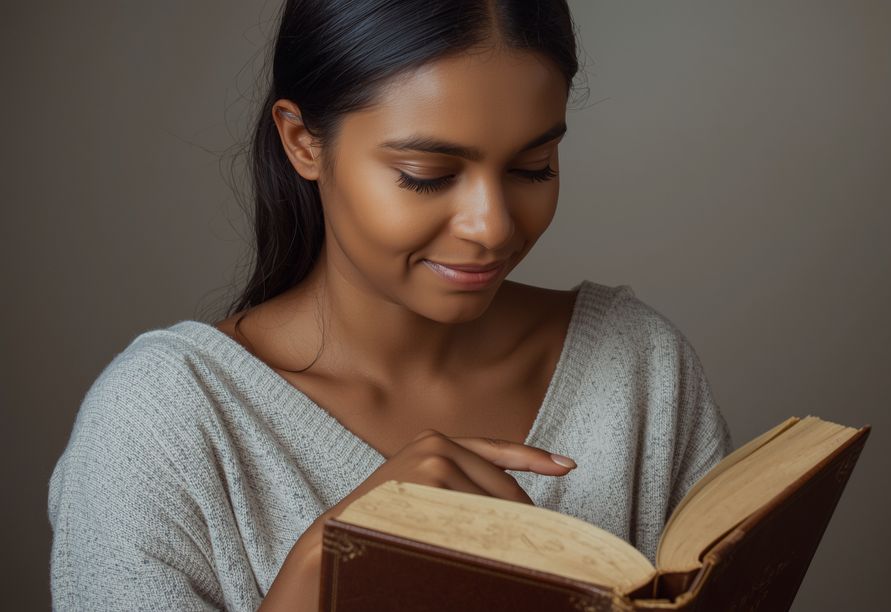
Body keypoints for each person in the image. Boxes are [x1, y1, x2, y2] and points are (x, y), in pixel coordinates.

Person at [46, 1, 733, 610]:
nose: (491, 226)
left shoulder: (639, 368)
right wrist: (326, 568)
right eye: (426, 176)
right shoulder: (160, 427)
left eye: (534, 168)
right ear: (302, 141)